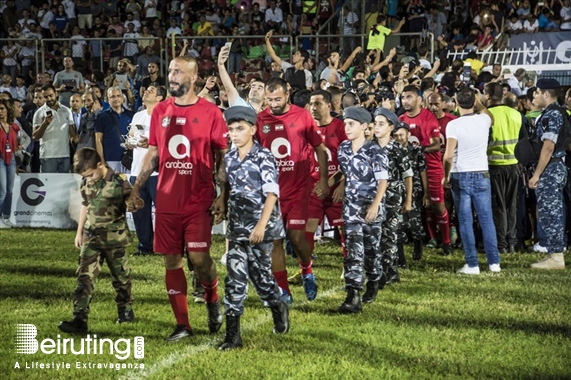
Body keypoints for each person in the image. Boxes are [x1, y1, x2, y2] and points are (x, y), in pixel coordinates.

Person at [127, 56, 228, 342]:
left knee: (199, 259)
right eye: (170, 70)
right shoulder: (160, 111)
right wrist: (136, 187)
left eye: (178, 71)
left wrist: (224, 194)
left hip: (198, 199)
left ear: (194, 78)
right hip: (168, 199)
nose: (172, 75)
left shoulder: (211, 112)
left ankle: (212, 296)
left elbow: (221, 158)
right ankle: (182, 324)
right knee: (172, 261)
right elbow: (153, 153)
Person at [218, 106, 289, 351]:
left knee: (262, 280)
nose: (234, 134)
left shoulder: (264, 156)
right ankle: (232, 336)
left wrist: (260, 226)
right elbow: (229, 189)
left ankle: (278, 306)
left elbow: (271, 195)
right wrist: (221, 202)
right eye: (231, 129)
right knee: (234, 279)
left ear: (253, 130)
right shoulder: (229, 158)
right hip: (238, 227)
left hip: (262, 228)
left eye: (240, 129)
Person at [255, 77, 330, 303]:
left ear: (287, 94)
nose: (274, 104)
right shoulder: (260, 119)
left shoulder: (302, 115)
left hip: (298, 189)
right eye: (269, 100)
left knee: (297, 239)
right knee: (275, 241)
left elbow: (320, 148)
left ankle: (307, 270)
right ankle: (283, 289)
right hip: (271, 192)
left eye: (277, 99)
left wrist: (324, 179)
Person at [58, 147, 134, 334]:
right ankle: (79, 319)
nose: (89, 179)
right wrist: (79, 232)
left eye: (91, 174)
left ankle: (125, 310)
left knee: (121, 278)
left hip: (115, 240)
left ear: (101, 165)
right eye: (86, 176)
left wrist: (135, 203)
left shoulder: (119, 183)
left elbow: (133, 203)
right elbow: (86, 205)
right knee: (84, 277)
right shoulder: (87, 182)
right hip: (91, 237)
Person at [443, 87, 501, 275]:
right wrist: (477, 100)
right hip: (482, 172)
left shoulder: (454, 125)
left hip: (461, 174)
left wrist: (446, 175)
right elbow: (489, 115)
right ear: (474, 101)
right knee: (486, 219)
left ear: (456, 103)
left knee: (465, 220)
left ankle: (472, 264)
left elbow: (448, 155)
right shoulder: (484, 120)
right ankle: (494, 262)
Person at [336, 106, 388, 312]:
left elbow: (383, 180)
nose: (346, 128)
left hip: (370, 208)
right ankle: (353, 293)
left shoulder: (375, 151)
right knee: (353, 250)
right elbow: (344, 172)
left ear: (364, 126)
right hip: (351, 208)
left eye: (351, 124)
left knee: (372, 250)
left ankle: (374, 279)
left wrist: (375, 205)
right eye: (345, 124)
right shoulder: (343, 148)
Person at [400, 85, 452, 255]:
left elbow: (436, 144)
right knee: (418, 206)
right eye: (403, 97)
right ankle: (429, 238)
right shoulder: (400, 120)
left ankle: (446, 242)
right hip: (410, 170)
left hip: (431, 167)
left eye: (409, 97)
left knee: (437, 206)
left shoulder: (428, 117)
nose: (405, 100)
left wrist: (418, 150)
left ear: (419, 100)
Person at [528, 79, 567, 270]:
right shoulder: (552, 113)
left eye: (536, 92)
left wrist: (536, 174)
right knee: (549, 212)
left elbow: (549, 146)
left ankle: (556, 257)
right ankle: (554, 253)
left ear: (546, 94)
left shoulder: (553, 114)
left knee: (551, 213)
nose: (534, 96)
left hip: (550, 168)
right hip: (551, 167)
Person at [305, 89, 347, 268]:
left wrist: (342, 185)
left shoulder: (341, 128)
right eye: (311, 104)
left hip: (335, 186)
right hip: (314, 188)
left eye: (318, 104)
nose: (313, 108)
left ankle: (349, 265)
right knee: (308, 228)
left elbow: (350, 160)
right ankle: (305, 269)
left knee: (344, 228)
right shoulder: (306, 128)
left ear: (328, 105)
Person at [372, 108, 413, 287]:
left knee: (390, 233)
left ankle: (390, 270)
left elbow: (408, 175)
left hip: (393, 195)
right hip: (374, 194)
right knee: (375, 233)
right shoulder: (370, 147)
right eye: (375, 124)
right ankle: (379, 268)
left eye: (381, 124)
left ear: (391, 127)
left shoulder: (397, 149)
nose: (377, 127)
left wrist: (408, 199)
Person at [483, 82, 525, 254]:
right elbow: (524, 143)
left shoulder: (487, 116)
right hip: (514, 166)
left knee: (498, 206)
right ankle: (512, 242)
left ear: (487, 95)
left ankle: (501, 245)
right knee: (512, 205)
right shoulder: (516, 114)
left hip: (494, 166)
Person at [128, 84, 165, 256]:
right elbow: (132, 137)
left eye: (152, 90)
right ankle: (145, 246)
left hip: (157, 172)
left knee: (163, 211)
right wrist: (130, 142)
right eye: (146, 89)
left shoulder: (165, 117)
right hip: (137, 170)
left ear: (159, 98)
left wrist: (150, 143)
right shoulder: (138, 115)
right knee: (139, 210)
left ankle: (165, 245)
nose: (146, 91)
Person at [392, 121, 429, 260]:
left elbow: (422, 171)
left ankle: (418, 246)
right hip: (397, 190)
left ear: (408, 135)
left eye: (401, 135)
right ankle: (400, 256)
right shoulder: (392, 150)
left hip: (415, 191)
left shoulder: (416, 150)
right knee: (398, 224)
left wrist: (426, 193)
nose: (399, 138)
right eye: (395, 135)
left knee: (415, 222)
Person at [32, 84, 77, 173]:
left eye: (51, 95)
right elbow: (35, 137)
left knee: (64, 185)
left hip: (65, 154)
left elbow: (72, 134)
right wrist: (44, 124)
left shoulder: (67, 111)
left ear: (56, 94)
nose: (49, 99)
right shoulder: (39, 113)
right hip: (48, 156)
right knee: (48, 185)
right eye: (46, 97)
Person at [94, 86, 134, 173]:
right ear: (108, 99)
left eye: (118, 96)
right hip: (111, 160)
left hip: (129, 159)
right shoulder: (102, 117)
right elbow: (98, 140)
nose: (116, 98)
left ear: (122, 98)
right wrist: (102, 161)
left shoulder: (132, 115)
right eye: (112, 96)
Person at [0, 99, 19, 228]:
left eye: (2, 108)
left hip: (11, 158)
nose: (0, 111)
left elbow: (16, 142)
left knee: (9, 191)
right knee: (2, 191)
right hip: (0, 158)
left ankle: (6, 217)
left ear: (7, 110)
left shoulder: (13, 126)